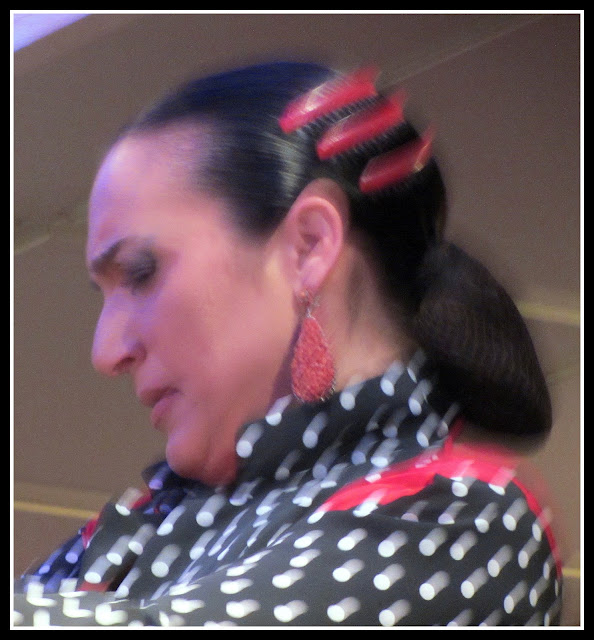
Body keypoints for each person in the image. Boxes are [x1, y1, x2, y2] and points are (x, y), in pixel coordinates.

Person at [14, 61, 562, 627]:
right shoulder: (154, 524)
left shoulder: (462, 521)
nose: (107, 352)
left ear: (309, 246)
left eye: (140, 272)